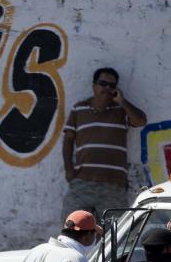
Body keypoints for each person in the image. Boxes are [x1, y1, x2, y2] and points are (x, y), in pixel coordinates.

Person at [62, 67, 146, 220]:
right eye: (103, 83)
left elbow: (140, 121)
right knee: (71, 229)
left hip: (114, 186)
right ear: (94, 85)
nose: (107, 88)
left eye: (111, 86)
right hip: (82, 184)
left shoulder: (121, 111)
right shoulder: (79, 109)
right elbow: (68, 140)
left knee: (113, 236)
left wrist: (122, 101)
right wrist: (69, 171)